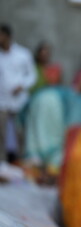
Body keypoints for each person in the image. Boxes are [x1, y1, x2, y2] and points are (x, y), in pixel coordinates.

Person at [0, 24, 36, 164]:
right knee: (1, 132)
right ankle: (2, 162)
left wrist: (22, 86)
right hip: (2, 101)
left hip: (20, 101)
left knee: (20, 133)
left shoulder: (23, 54)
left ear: (7, 36)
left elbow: (32, 75)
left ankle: (19, 161)